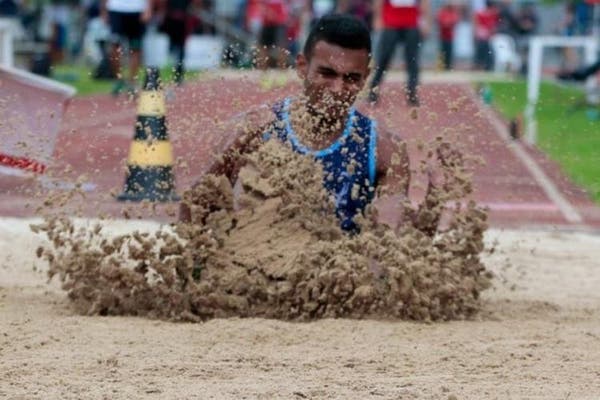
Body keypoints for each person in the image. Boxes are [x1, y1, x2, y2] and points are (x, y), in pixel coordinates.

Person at [181, 14, 453, 235]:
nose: (337, 89)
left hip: (337, 284)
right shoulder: (254, 129)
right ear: (302, 67)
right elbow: (193, 210)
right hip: (259, 279)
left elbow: (390, 243)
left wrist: (434, 203)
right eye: (327, 73)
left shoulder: (384, 149)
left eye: (351, 78)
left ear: (366, 78)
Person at [368, 0, 432, 107]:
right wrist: (377, 18)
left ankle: (412, 92)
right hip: (391, 23)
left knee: (412, 60)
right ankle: (373, 90)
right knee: (384, 58)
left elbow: (424, 3)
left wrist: (426, 22)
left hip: (411, 23)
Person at [101, 0, 153, 96]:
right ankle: (118, 79)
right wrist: (104, 11)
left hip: (137, 10)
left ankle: (132, 82)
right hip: (116, 9)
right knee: (114, 46)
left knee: (136, 48)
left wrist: (148, 9)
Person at [436, 0, 460, 71]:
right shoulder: (442, 12)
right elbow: (441, 21)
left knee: (449, 52)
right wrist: (447, 23)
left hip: (450, 37)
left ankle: (448, 67)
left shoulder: (453, 13)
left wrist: (447, 23)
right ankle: (441, 67)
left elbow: (454, 21)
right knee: (442, 52)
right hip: (443, 36)